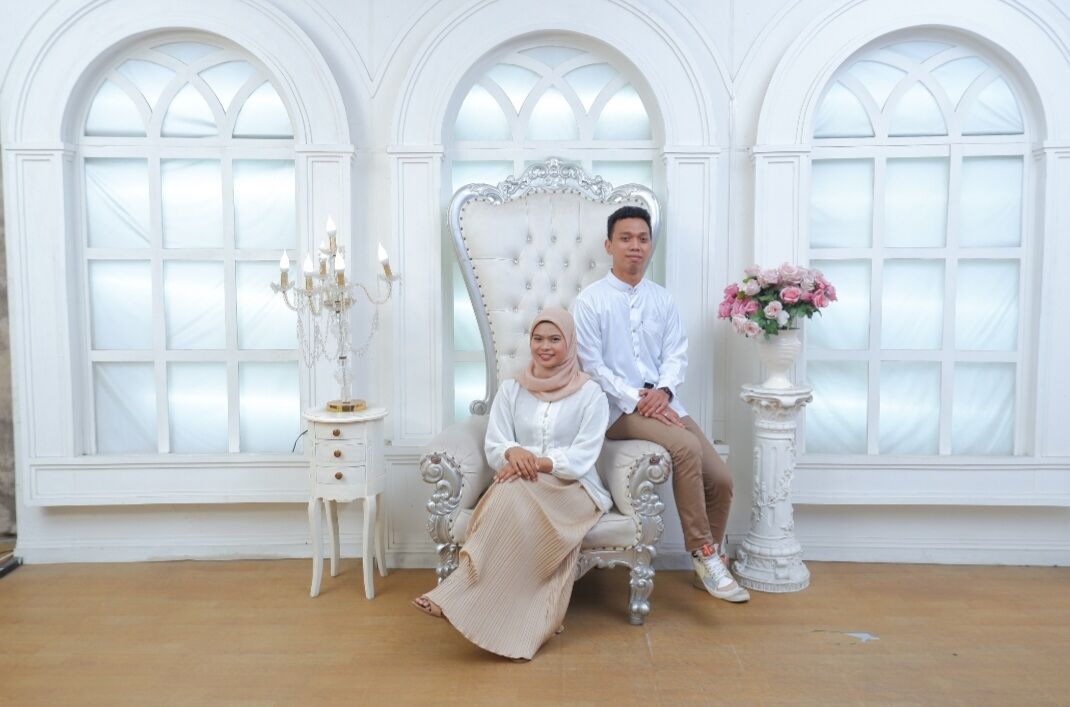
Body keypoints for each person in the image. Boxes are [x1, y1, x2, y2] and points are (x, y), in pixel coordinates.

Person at [572, 205, 750, 603]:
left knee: (721, 480)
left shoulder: (663, 300)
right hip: (615, 410)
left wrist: (664, 392)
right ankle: (702, 552)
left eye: (642, 238)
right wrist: (636, 398)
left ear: (651, 245)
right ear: (609, 245)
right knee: (684, 446)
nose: (635, 246)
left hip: (665, 403)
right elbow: (592, 367)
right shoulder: (590, 302)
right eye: (625, 238)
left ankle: (710, 564)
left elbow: (676, 355)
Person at [412, 307, 611, 660]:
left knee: (509, 490)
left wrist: (537, 462)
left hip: (573, 488)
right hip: (521, 479)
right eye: (538, 339)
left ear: (570, 343)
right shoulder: (512, 389)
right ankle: (468, 600)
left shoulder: (591, 393)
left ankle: (458, 596)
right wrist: (512, 451)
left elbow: (584, 455)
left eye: (554, 339)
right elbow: (496, 442)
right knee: (507, 490)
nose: (544, 346)